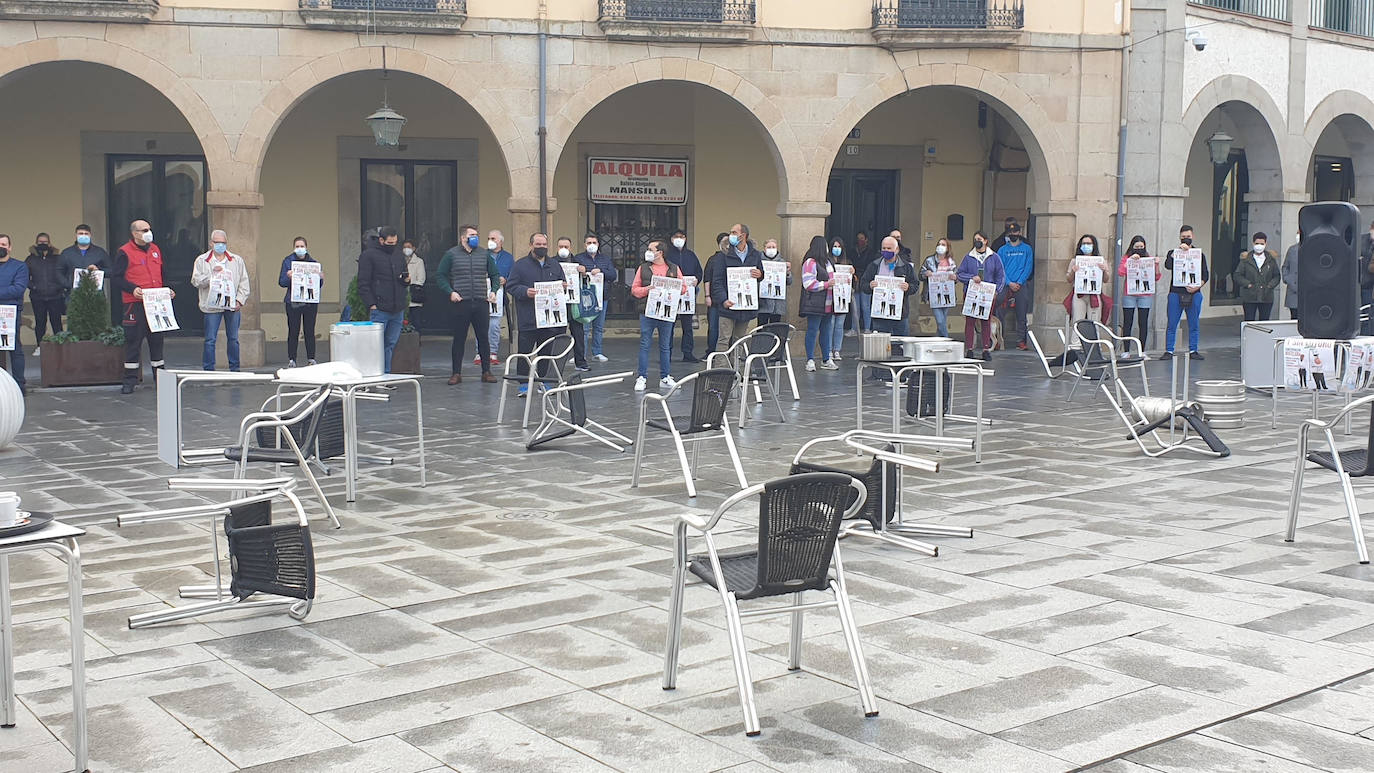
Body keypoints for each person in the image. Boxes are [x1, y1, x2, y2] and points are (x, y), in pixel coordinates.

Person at [112, 219, 171, 393]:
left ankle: (160, 380)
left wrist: (167, 290)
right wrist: (133, 289)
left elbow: (162, 273)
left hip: (156, 304)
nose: (148, 232)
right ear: (134, 233)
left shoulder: (155, 250)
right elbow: (117, 278)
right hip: (135, 304)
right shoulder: (124, 252)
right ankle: (129, 382)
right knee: (133, 342)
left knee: (157, 342)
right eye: (144, 230)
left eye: (149, 229)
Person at [438, 224, 501, 385]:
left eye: (476, 234)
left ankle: (486, 371)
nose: (475, 237)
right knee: (459, 338)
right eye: (472, 235)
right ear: (463, 237)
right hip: (461, 302)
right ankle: (456, 373)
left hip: (481, 301)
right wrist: (450, 292)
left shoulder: (484, 254)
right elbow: (441, 276)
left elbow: (494, 274)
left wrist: (493, 291)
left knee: (483, 338)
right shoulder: (451, 254)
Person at [505, 233, 565, 397]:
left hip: (548, 319)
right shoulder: (520, 265)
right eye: (538, 244)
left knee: (546, 352)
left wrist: (563, 286)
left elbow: (562, 282)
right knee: (525, 352)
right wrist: (525, 291)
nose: (542, 247)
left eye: (544, 244)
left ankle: (545, 382)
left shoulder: (554, 265)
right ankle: (523, 384)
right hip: (528, 317)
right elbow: (511, 286)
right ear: (531, 245)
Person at [191, 229, 251, 372]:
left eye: (223, 243)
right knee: (210, 340)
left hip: (232, 305)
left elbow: (244, 281)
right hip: (211, 306)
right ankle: (209, 369)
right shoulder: (202, 260)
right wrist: (211, 276)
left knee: (233, 339)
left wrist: (239, 300)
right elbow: (195, 281)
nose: (221, 246)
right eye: (218, 242)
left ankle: (235, 368)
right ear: (211, 243)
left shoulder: (236, 260)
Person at [357, 225, 409, 373]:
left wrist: (406, 281)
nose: (392, 246)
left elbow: (403, 277)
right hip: (379, 308)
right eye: (389, 243)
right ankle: (373, 374)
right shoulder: (368, 256)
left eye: (395, 243)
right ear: (381, 240)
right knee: (375, 345)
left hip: (397, 307)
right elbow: (363, 282)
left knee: (390, 344)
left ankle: (385, 375)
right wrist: (371, 304)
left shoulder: (398, 255)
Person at [630, 239, 679, 392]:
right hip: (647, 311)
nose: (648, 252)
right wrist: (647, 289)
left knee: (665, 346)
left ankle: (665, 376)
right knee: (645, 344)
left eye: (651, 249)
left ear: (660, 253)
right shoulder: (643, 268)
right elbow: (634, 289)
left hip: (666, 312)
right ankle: (642, 377)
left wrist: (674, 289)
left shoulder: (673, 268)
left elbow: (683, 287)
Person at [709, 223, 764, 348]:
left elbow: (761, 274)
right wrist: (723, 299)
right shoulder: (723, 255)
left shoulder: (755, 254)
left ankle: (739, 366)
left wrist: (760, 274)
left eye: (734, 232)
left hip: (746, 306)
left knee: (740, 340)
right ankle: (721, 367)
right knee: (724, 339)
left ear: (743, 235)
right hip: (728, 305)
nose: (730, 235)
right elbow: (716, 280)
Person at [1162, 224, 1209, 361]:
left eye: (1188, 237)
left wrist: (1197, 287)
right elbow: (1168, 265)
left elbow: (1205, 275)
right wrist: (1176, 253)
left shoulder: (1200, 255)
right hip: (1176, 292)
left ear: (1192, 237)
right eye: (1183, 237)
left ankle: (1193, 349)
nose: (1186, 239)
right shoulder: (1173, 252)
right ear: (1179, 238)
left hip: (1194, 292)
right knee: (1172, 323)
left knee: (1194, 323)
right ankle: (1169, 350)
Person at [957, 231, 1005, 361]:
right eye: (975, 239)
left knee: (986, 321)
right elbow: (960, 274)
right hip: (972, 293)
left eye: (979, 239)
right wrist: (971, 277)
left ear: (985, 241)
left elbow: (1001, 275)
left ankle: (985, 348)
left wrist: (997, 290)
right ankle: (970, 348)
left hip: (987, 293)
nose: (977, 241)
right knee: (970, 322)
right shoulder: (969, 257)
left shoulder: (994, 257)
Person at [278, 236, 320, 367]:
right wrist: (288, 276)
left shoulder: (313, 263)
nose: (300, 248)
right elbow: (281, 282)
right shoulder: (287, 261)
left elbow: (319, 284)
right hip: (293, 302)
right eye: (297, 246)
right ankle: (292, 359)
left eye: (302, 246)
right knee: (293, 331)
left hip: (310, 302)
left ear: (306, 247)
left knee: (309, 331)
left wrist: (320, 278)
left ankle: (311, 358)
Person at [800, 236, 838, 372]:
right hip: (815, 304)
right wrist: (827, 284)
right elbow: (808, 284)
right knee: (812, 330)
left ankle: (826, 358)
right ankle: (810, 359)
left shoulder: (828, 262)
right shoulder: (810, 263)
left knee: (826, 331)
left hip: (828, 303)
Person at [664, 229, 702, 362]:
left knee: (687, 326)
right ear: (671, 239)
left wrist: (697, 279)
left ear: (685, 239)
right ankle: (666, 353)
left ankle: (688, 353)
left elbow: (699, 272)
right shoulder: (667, 255)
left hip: (687, 295)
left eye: (682, 237)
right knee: (669, 325)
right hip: (671, 294)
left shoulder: (691, 255)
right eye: (676, 236)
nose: (679, 239)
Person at [575, 233, 614, 363]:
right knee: (585, 327)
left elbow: (613, 275)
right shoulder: (578, 258)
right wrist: (578, 269)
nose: (592, 245)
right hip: (585, 296)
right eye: (589, 243)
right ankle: (581, 354)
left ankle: (597, 352)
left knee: (598, 327)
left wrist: (600, 270)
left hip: (602, 296)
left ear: (598, 244)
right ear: (584, 245)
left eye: (594, 243)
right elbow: (571, 274)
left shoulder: (605, 259)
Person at [554, 236, 591, 372]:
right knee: (559, 336)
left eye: (566, 246)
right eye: (560, 246)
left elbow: (589, 281)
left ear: (571, 248)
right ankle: (558, 363)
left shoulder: (578, 262)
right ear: (557, 247)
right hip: (559, 304)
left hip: (575, 304)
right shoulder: (552, 262)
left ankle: (580, 362)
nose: (563, 249)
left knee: (578, 334)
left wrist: (584, 272)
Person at [1118, 235, 1161, 350]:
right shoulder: (1126, 257)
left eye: (1141, 246)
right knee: (1128, 322)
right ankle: (1126, 350)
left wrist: (1156, 264)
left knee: (1143, 323)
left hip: (1145, 295)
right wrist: (1129, 261)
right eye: (1137, 246)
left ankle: (1142, 350)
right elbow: (1120, 272)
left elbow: (1157, 277)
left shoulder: (1148, 257)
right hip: (1129, 294)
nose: (1139, 249)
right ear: (1132, 247)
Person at [25, 233, 65, 353]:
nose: (43, 244)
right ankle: (39, 346)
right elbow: (25, 277)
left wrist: (59, 287)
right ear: (36, 243)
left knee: (56, 322)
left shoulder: (57, 258)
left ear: (50, 243)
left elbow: (63, 273)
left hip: (55, 295)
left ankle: (60, 346)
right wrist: (34, 287)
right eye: (40, 242)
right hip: (37, 296)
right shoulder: (30, 259)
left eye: (45, 242)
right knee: (40, 322)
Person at [996, 222, 1034, 350]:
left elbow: (1028, 267)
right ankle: (998, 339)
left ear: (1019, 233)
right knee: (999, 311)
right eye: (1011, 232)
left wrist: (1019, 282)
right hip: (1006, 284)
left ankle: (1021, 341)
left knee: (1021, 313)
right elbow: (1000, 269)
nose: (1013, 234)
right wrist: (1009, 283)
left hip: (1021, 284)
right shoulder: (1002, 250)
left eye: (1015, 232)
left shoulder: (1027, 249)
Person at [0, 234, 28, 394]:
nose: (1, 247)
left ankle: (19, 385)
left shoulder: (19, 266)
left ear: (10, 247)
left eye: (4, 244)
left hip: (9, 315)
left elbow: (18, 289)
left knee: (14, 349)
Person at [1233, 231, 1280, 322]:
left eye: (1262, 243)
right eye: (1257, 243)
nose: (1259, 246)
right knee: (1249, 321)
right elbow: (1237, 275)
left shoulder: (1271, 259)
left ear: (1265, 244)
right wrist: (1248, 284)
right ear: (1253, 243)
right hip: (1250, 296)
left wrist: (1270, 286)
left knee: (1264, 322)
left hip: (1266, 296)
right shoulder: (1246, 259)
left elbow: (1276, 276)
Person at [484, 229, 514, 366]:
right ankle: (481, 353)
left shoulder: (508, 257)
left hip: (499, 295)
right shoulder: (482, 255)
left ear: (500, 241)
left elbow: (513, 275)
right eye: (489, 238)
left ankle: (493, 353)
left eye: (493, 238)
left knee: (495, 325)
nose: (490, 241)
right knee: (482, 324)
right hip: (483, 293)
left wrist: (506, 280)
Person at [922, 238, 958, 338]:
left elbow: (956, 277)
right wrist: (926, 274)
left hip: (947, 295)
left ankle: (939, 340)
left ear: (947, 248)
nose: (940, 246)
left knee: (942, 321)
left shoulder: (951, 262)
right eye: (939, 244)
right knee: (940, 320)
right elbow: (920, 274)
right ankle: (947, 341)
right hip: (934, 294)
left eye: (943, 244)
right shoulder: (929, 261)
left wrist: (955, 277)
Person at [57, 224, 109, 289]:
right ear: (76, 235)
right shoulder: (67, 253)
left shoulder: (100, 252)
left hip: (94, 293)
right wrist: (68, 284)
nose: (83, 235)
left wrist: (98, 270)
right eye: (80, 233)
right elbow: (59, 272)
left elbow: (111, 271)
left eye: (86, 234)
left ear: (90, 235)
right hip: (73, 293)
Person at [756, 237, 792, 326]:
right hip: (763, 304)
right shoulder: (758, 262)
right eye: (769, 247)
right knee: (761, 328)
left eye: (773, 247)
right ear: (764, 248)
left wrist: (788, 272)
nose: (771, 249)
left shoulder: (782, 262)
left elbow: (789, 282)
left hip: (777, 305)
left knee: (775, 329)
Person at [702, 232, 728, 355]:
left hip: (728, 299)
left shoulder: (733, 258)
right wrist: (707, 296)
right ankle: (711, 351)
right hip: (714, 298)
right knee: (713, 326)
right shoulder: (713, 259)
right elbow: (707, 278)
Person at [829, 238, 853, 359]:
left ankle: (837, 349)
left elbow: (851, 280)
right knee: (830, 324)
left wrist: (851, 274)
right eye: (834, 246)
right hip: (831, 297)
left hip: (842, 297)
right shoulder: (827, 262)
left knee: (839, 325)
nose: (837, 249)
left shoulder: (846, 262)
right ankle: (828, 349)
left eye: (839, 246)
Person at [852, 231, 878, 335]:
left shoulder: (871, 253)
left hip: (866, 280)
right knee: (855, 307)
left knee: (866, 306)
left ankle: (867, 328)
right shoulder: (853, 251)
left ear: (866, 240)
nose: (860, 241)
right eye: (858, 238)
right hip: (855, 280)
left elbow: (870, 266)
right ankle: (854, 329)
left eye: (862, 238)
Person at [403, 238, 426, 331]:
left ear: (414, 248)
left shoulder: (419, 261)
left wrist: (410, 284)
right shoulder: (399, 260)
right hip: (402, 295)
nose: (406, 249)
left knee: (416, 320)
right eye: (404, 247)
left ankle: (417, 340)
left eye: (408, 247)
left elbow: (421, 279)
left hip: (414, 294)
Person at [1282, 231, 1301, 321]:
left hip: (1307, 292)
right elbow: (1286, 266)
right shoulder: (1292, 249)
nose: (1298, 236)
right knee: (1294, 317)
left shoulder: (1313, 248)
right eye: (1297, 234)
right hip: (1293, 290)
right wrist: (1286, 278)